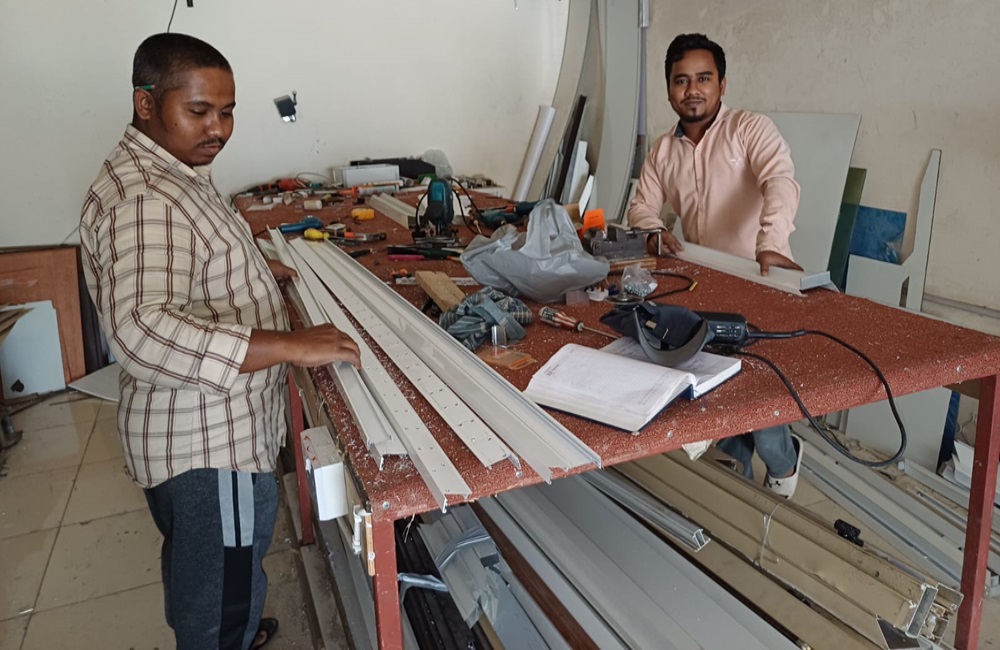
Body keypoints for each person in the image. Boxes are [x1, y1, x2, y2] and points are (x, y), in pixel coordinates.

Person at [79, 33, 361, 649]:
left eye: (227, 112)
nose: (218, 129)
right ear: (146, 103)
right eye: (199, 111)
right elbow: (142, 331)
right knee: (220, 588)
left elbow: (186, 258)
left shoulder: (166, 167)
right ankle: (223, 634)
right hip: (211, 447)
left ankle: (225, 625)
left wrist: (255, 268)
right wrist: (290, 345)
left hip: (188, 435)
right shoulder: (147, 198)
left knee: (202, 566)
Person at [627, 33, 804, 497]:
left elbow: (780, 180)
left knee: (763, 402)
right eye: (681, 80)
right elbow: (641, 206)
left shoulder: (750, 129)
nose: (693, 90)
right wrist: (653, 229)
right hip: (703, 282)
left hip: (759, 279)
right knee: (717, 389)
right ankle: (736, 481)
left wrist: (772, 242)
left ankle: (784, 462)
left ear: (722, 84)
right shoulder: (662, 152)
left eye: (703, 78)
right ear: (669, 89)